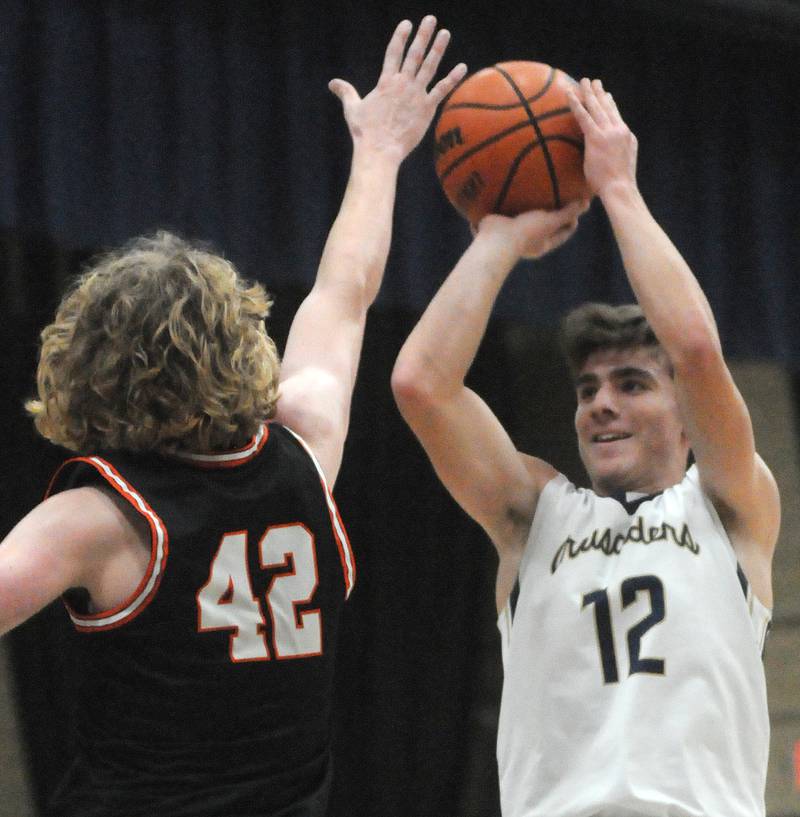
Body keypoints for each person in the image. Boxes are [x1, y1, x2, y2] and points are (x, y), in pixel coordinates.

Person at [0, 16, 465, 817]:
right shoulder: (305, 449)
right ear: (239, 342)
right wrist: (381, 154)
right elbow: (344, 292)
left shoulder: (95, 520)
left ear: (84, 365)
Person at [391, 77, 779, 817]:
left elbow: (695, 348)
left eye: (632, 384)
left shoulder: (730, 502)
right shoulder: (536, 516)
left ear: (690, 421)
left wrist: (619, 190)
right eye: (587, 389)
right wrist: (499, 239)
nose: (600, 402)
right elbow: (420, 384)